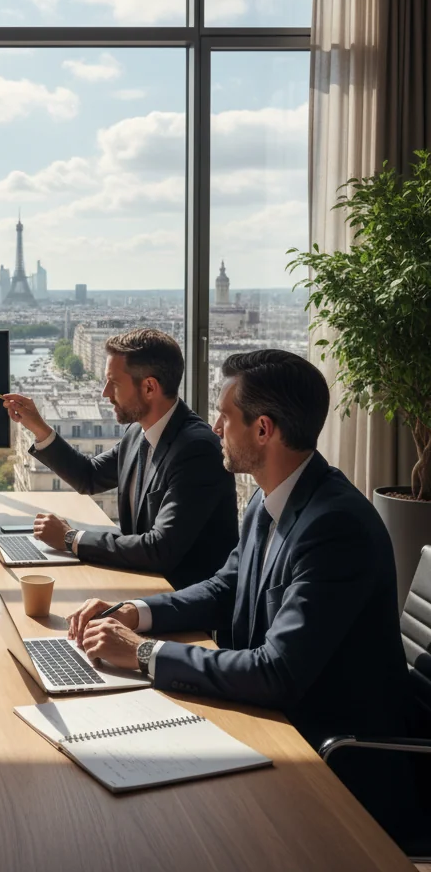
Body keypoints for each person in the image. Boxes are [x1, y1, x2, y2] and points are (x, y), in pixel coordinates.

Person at [68, 349, 414, 838]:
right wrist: (134, 613)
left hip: (332, 756)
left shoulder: (335, 527)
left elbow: (276, 672)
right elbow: (224, 587)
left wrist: (143, 654)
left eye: (225, 417)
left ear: (263, 430)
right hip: (274, 722)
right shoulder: (269, 496)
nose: (213, 427)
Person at [3, 328, 237, 589]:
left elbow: (160, 548)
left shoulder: (198, 450)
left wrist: (71, 538)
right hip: (144, 585)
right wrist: (38, 427)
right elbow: (89, 477)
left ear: (150, 387)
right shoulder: (139, 432)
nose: (105, 393)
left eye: (113, 383)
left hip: (183, 608)